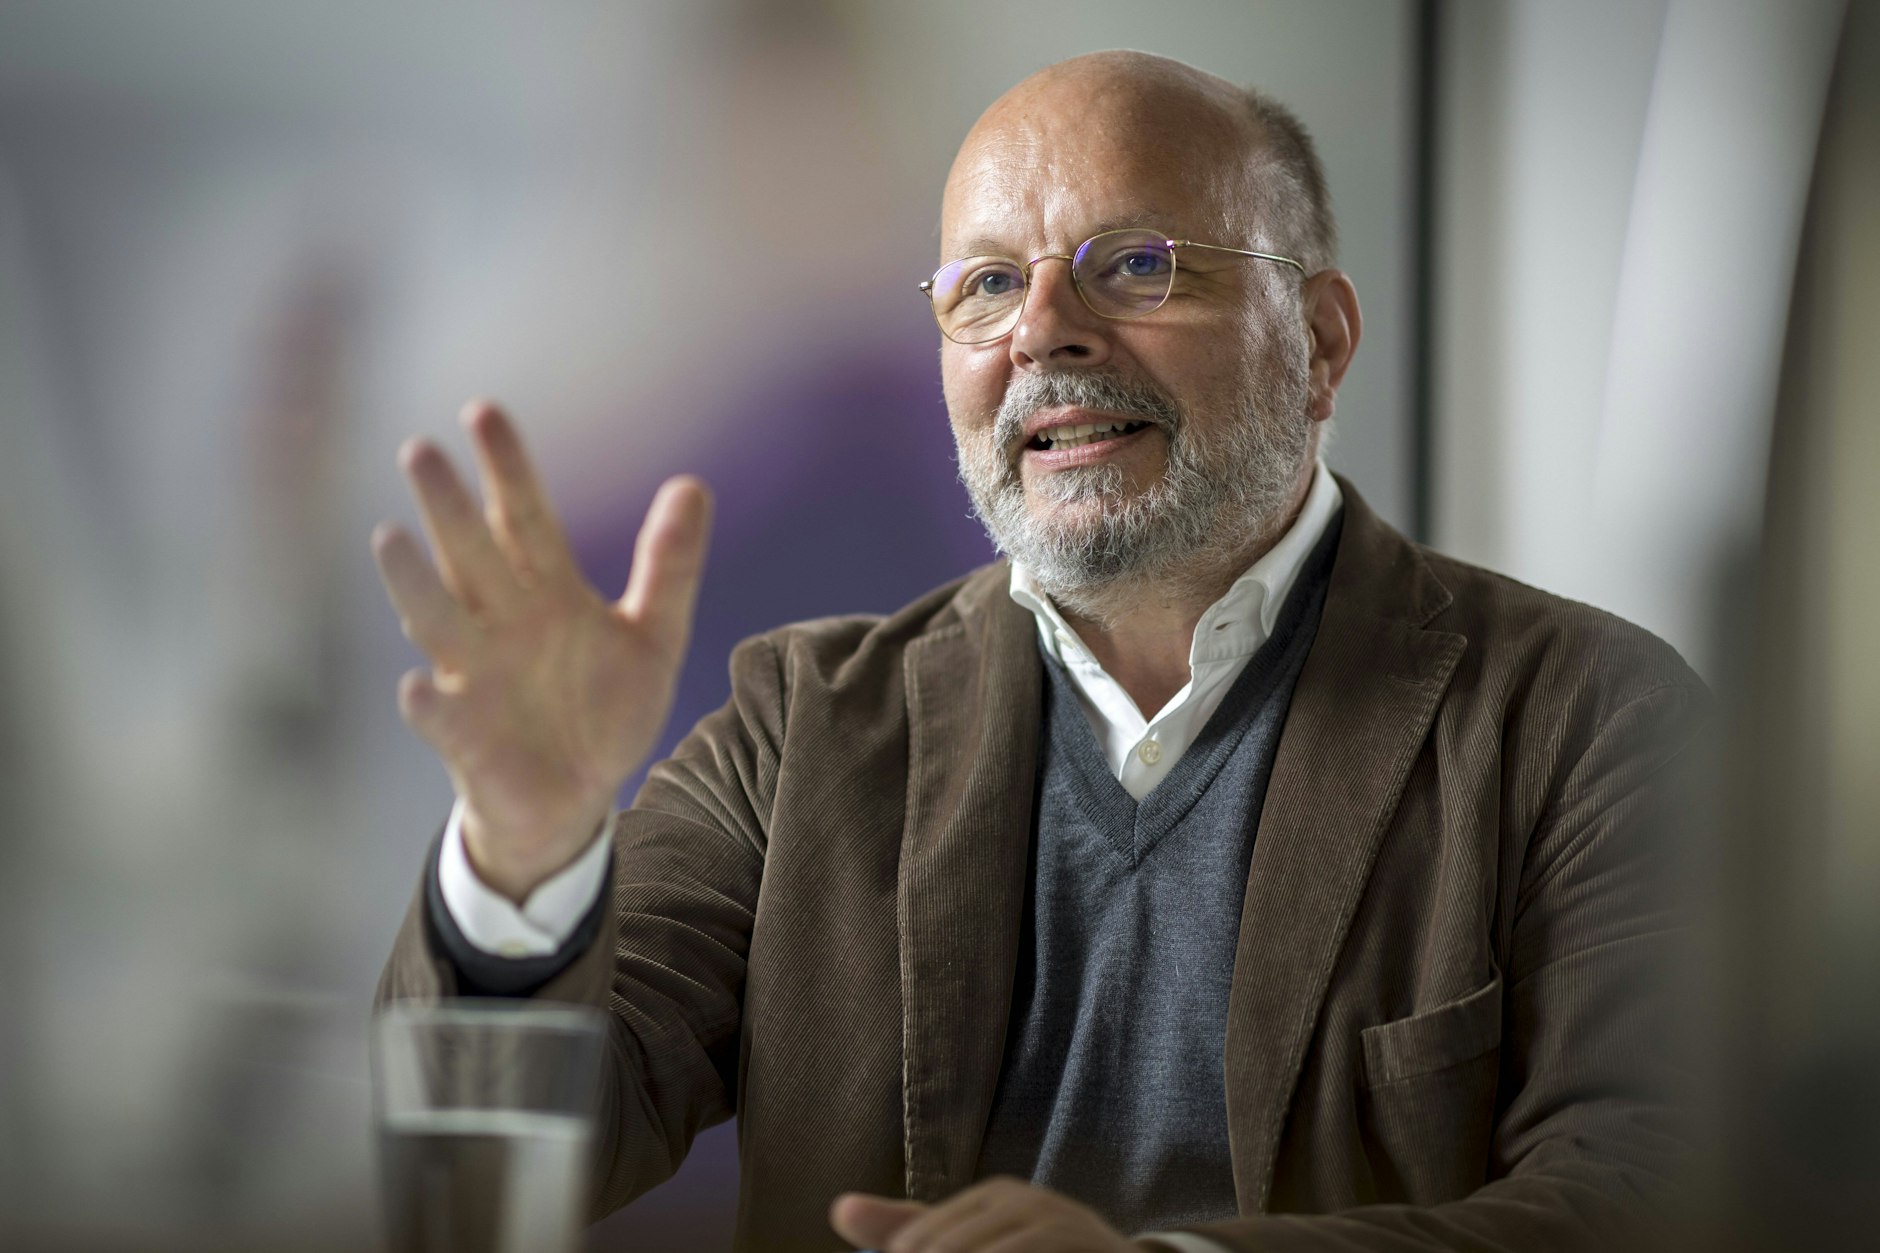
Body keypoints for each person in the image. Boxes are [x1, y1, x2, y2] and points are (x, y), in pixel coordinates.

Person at [374, 51, 1702, 1253]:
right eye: (990, 283)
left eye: (1136, 265)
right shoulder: (799, 732)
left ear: (1322, 342)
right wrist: (525, 856)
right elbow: (475, 1183)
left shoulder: (1586, 721)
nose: (1042, 332)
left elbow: (1660, 1196)